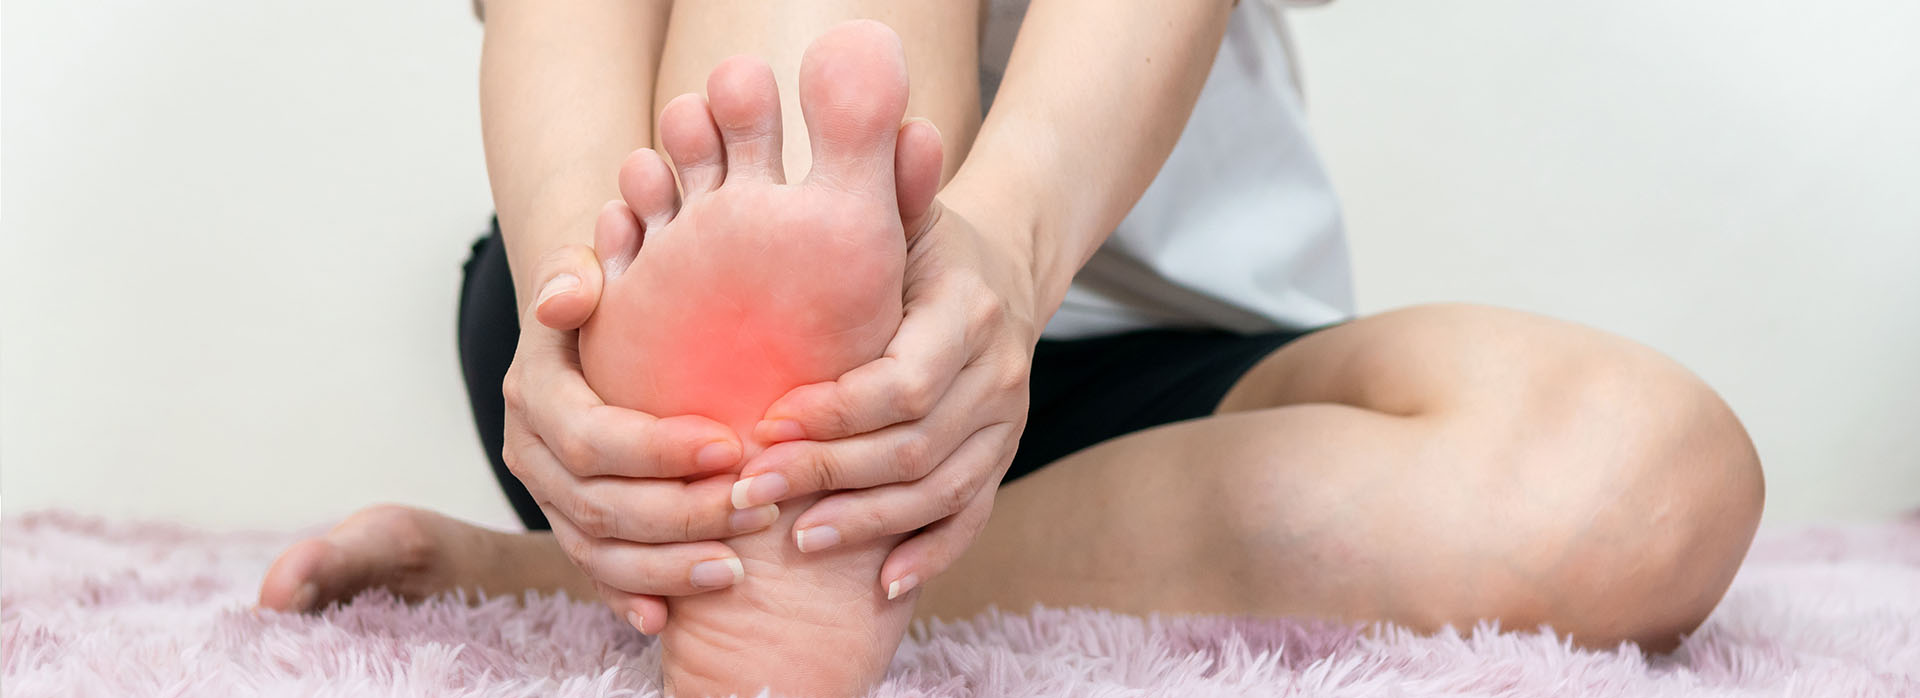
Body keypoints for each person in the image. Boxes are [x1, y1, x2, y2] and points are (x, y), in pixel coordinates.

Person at [260, 2, 1766, 695]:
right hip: (654, 379)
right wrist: (568, 312)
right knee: (819, 80)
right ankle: (774, 490)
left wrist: (994, 261)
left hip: (1151, 351)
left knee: (1639, 476)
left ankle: (766, 566)